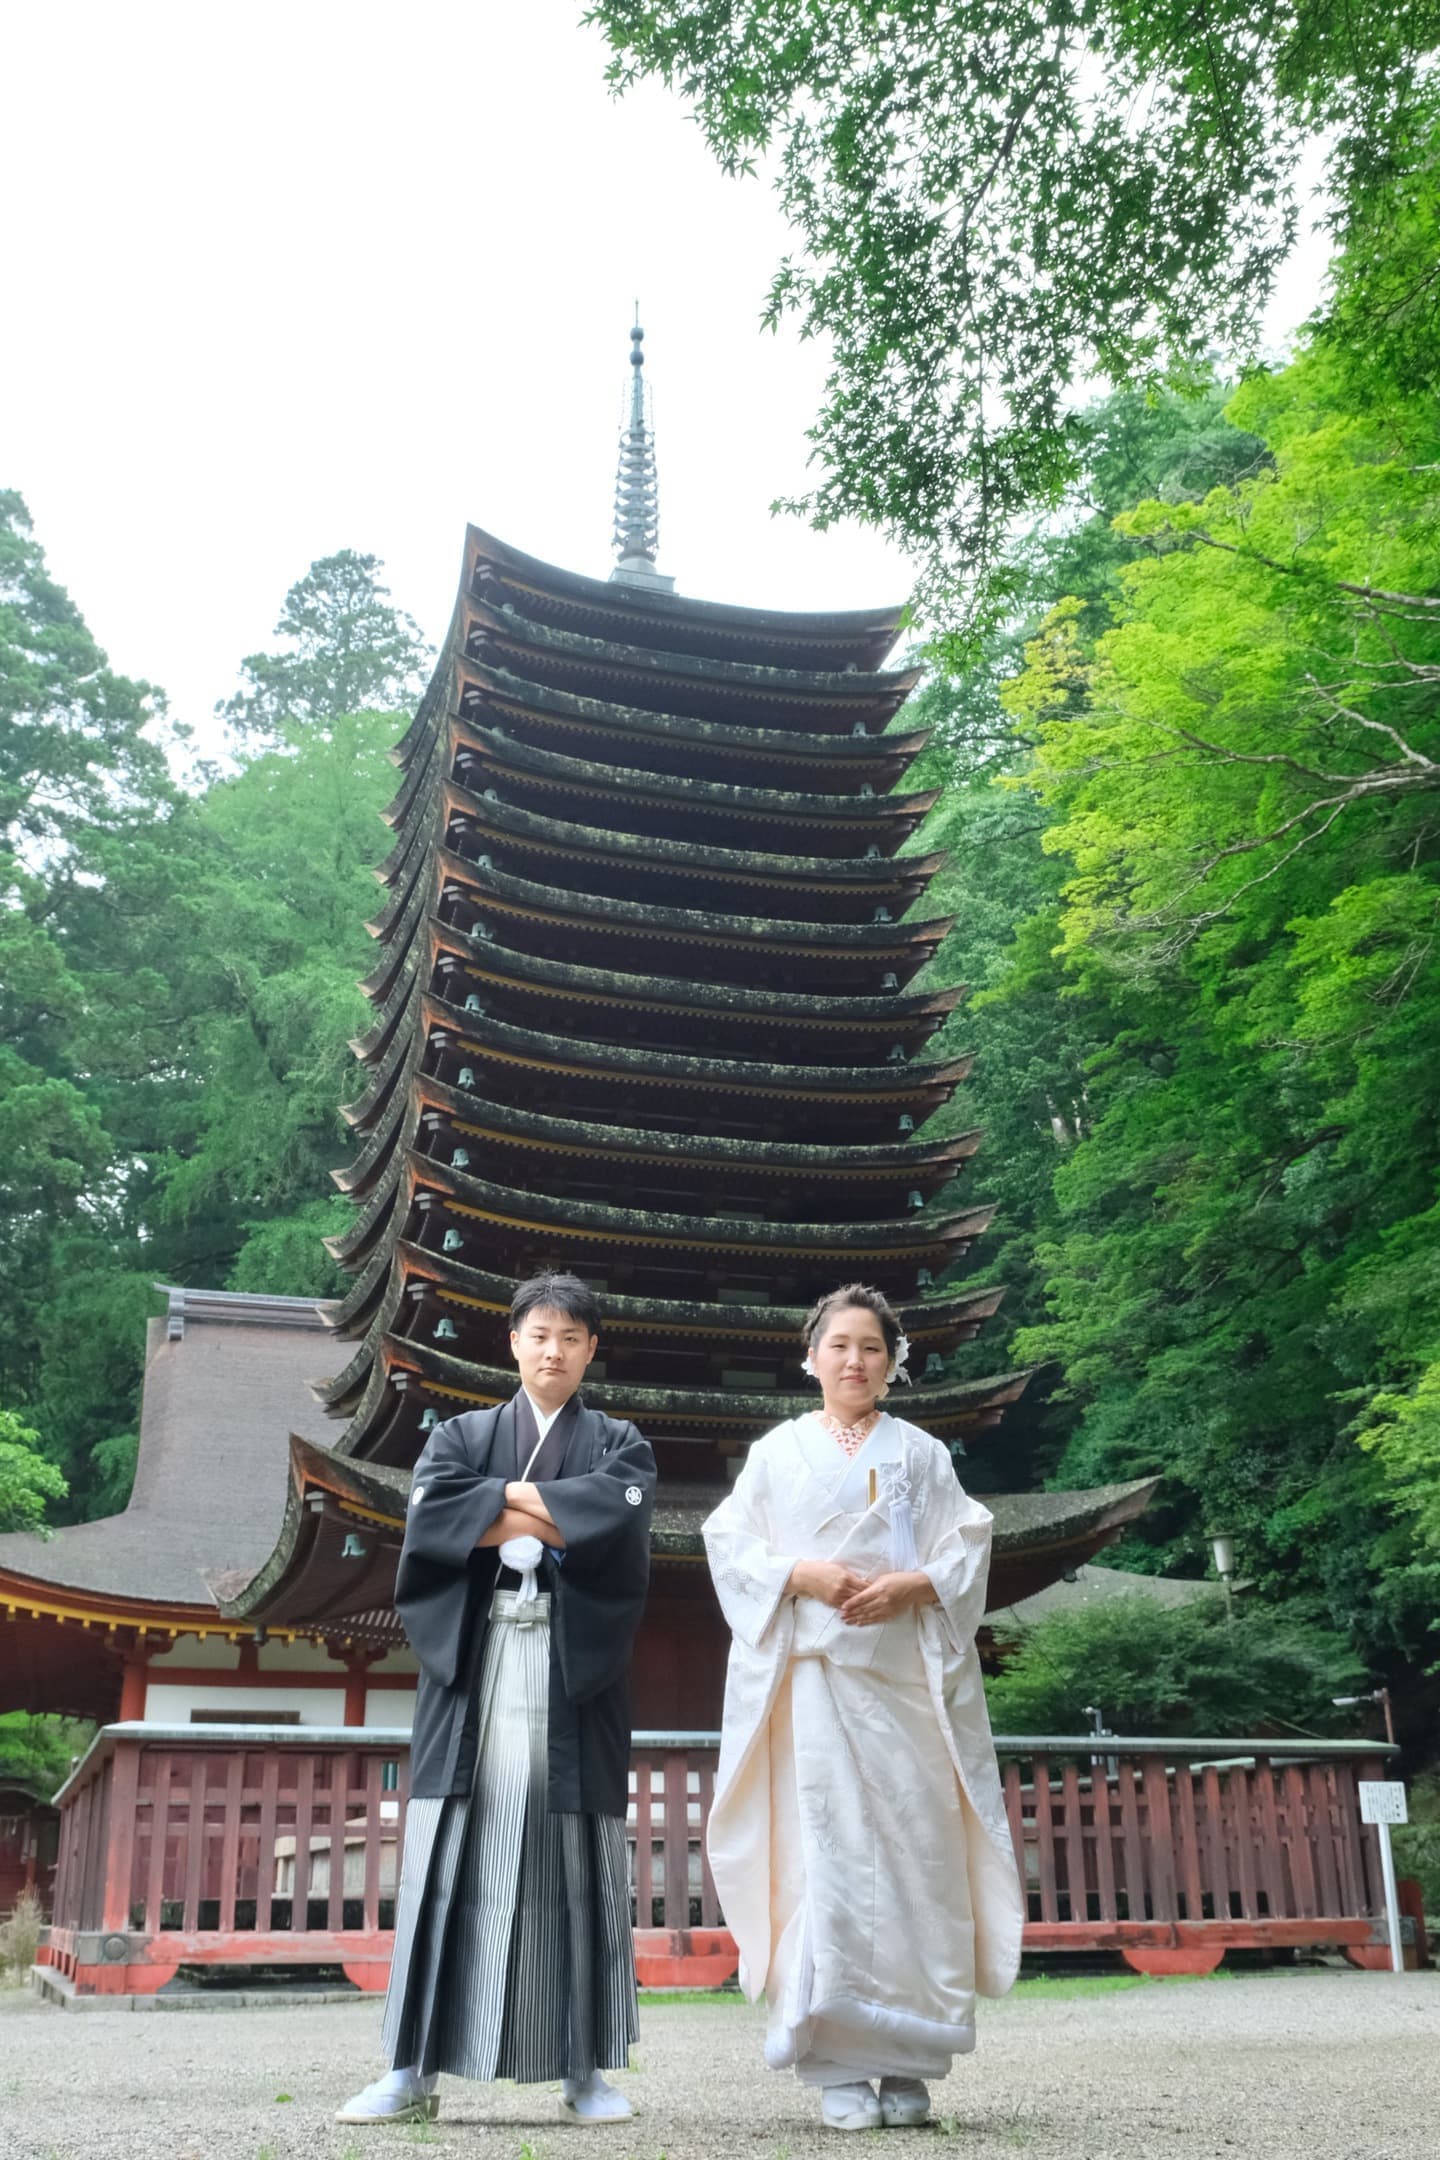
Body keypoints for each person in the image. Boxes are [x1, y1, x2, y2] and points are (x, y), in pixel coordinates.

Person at [702, 1282, 1024, 2134]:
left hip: (905, 1688)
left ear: (893, 1362)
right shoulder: (776, 1453)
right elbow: (729, 1544)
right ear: (810, 1357)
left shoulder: (921, 1454)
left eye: (871, 1348)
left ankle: (911, 2060)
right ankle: (837, 2063)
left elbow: (967, 1544)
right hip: (814, 1687)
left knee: (919, 1860)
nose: (854, 1361)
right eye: (839, 1345)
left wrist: (917, 1583)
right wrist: (797, 1574)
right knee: (828, 1862)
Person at [337, 1271, 656, 2128]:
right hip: (472, 1667)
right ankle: (410, 2073)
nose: (554, 1351)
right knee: (445, 1858)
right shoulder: (458, 1434)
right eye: (539, 1334)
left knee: (573, 1862)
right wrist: (549, 1509)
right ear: (512, 1341)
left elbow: (613, 1526)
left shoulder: (623, 1443)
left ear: (593, 1350)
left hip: (570, 1669)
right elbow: (435, 1525)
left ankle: (583, 2072)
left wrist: (496, 1505)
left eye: (572, 1338)